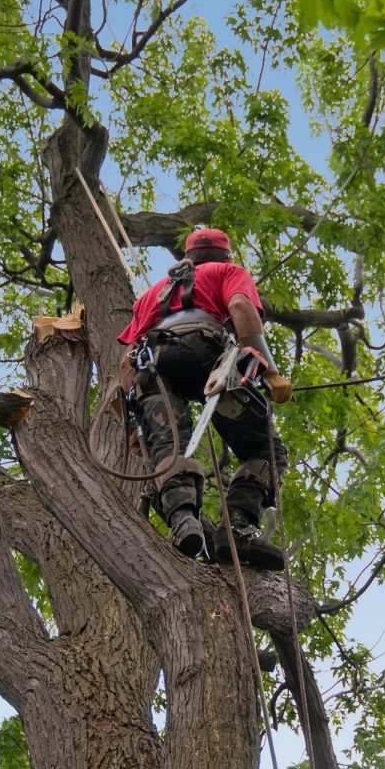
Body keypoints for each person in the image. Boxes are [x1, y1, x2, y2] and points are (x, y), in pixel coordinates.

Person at [118, 228, 292, 568]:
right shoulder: (228, 272)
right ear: (224, 256)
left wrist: (136, 426)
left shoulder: (152, 294)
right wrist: (269, 371)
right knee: (265, 450)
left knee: (168, 447)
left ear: (189, 256)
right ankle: (237, 529)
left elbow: (126, 360)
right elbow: (240, 305)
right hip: (207, 356)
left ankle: (184, 521)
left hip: (152, 367)